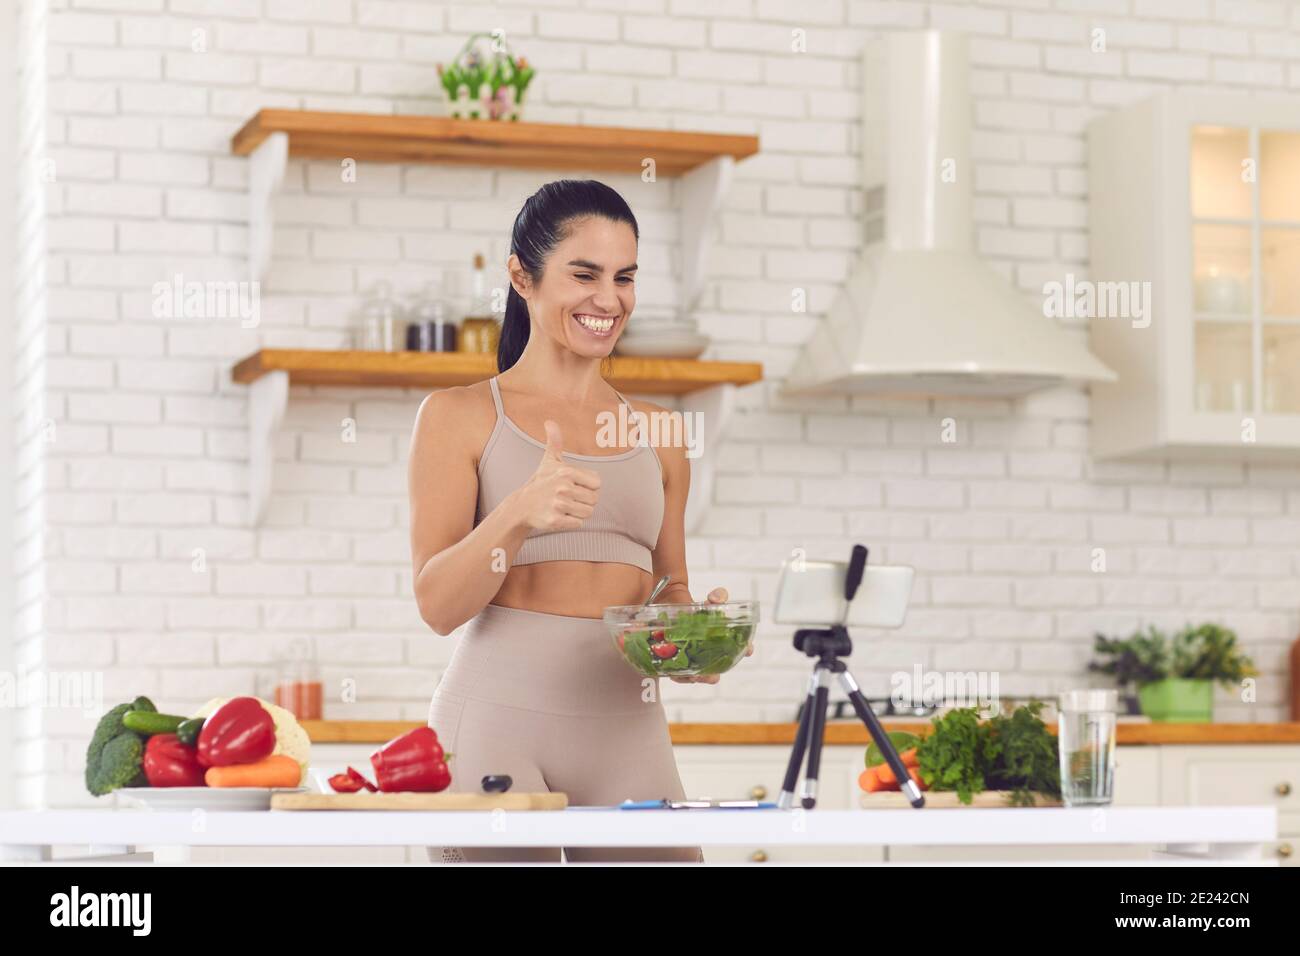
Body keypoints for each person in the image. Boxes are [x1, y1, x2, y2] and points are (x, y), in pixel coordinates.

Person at [407, 179, 750, 864]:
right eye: (584, 273)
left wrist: (693, 638)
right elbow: (437, 605)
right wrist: (517, 513)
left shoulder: (661, 433)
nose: (609, 298)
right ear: (521, 277)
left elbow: (669, 589)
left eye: (625, 277)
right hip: (493, 723)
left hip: (626, 725)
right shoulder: (459, 416)